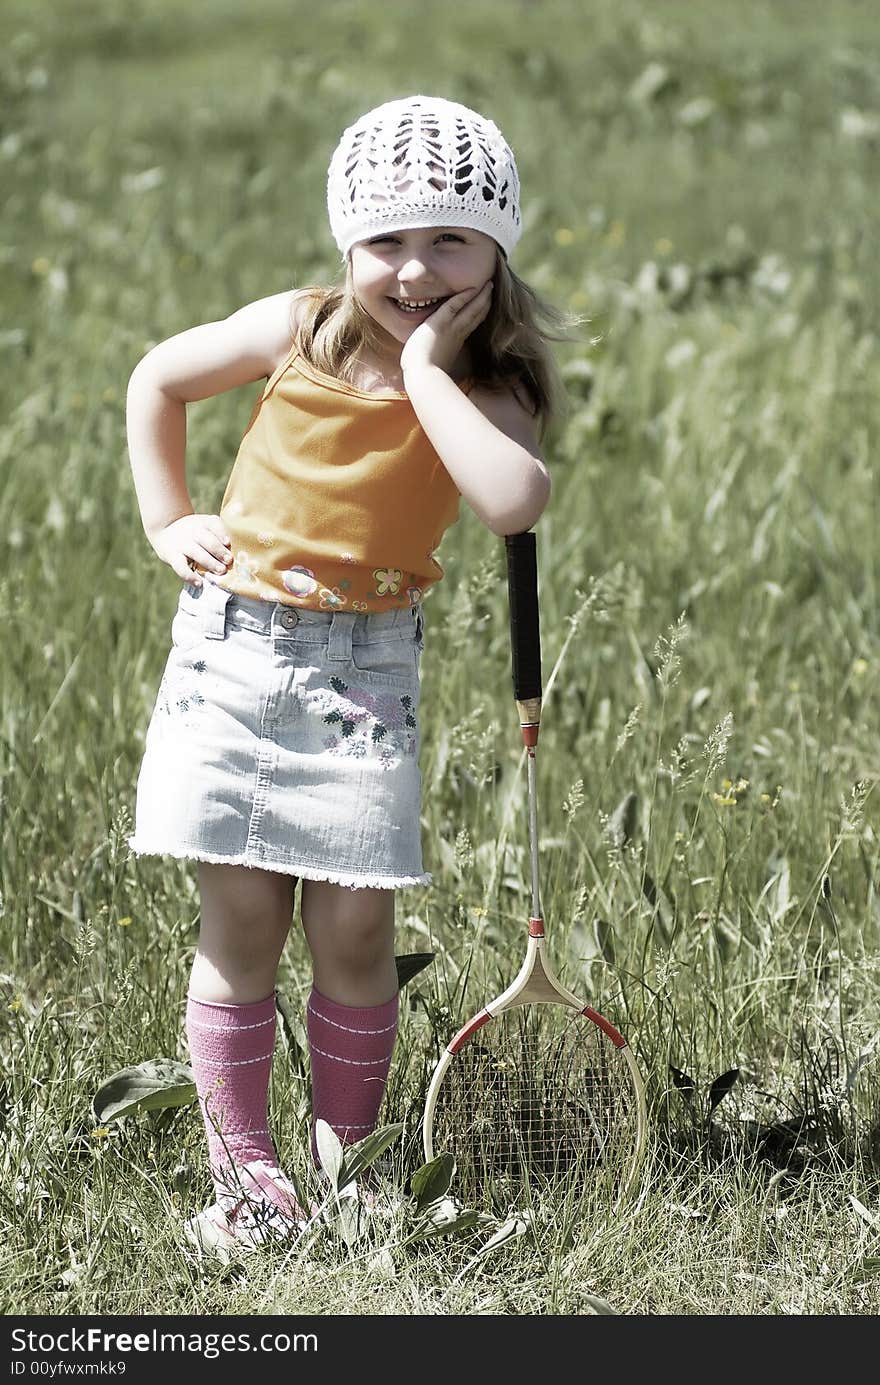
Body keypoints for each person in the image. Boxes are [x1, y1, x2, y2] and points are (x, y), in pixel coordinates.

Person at [125, 94, 567, 1255]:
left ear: (497, 245)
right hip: (235, 650)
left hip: (366, 670)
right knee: (242, 915)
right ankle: (243, 1174)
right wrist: (167, 514)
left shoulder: (491, 387)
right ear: (344, 246)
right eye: (385, 242)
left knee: (358, 929)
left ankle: (348, 1163)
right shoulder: (296, 327)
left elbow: (512, 500)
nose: (414, 267)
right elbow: (157, 380)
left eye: (449, 239)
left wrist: (424, 366)